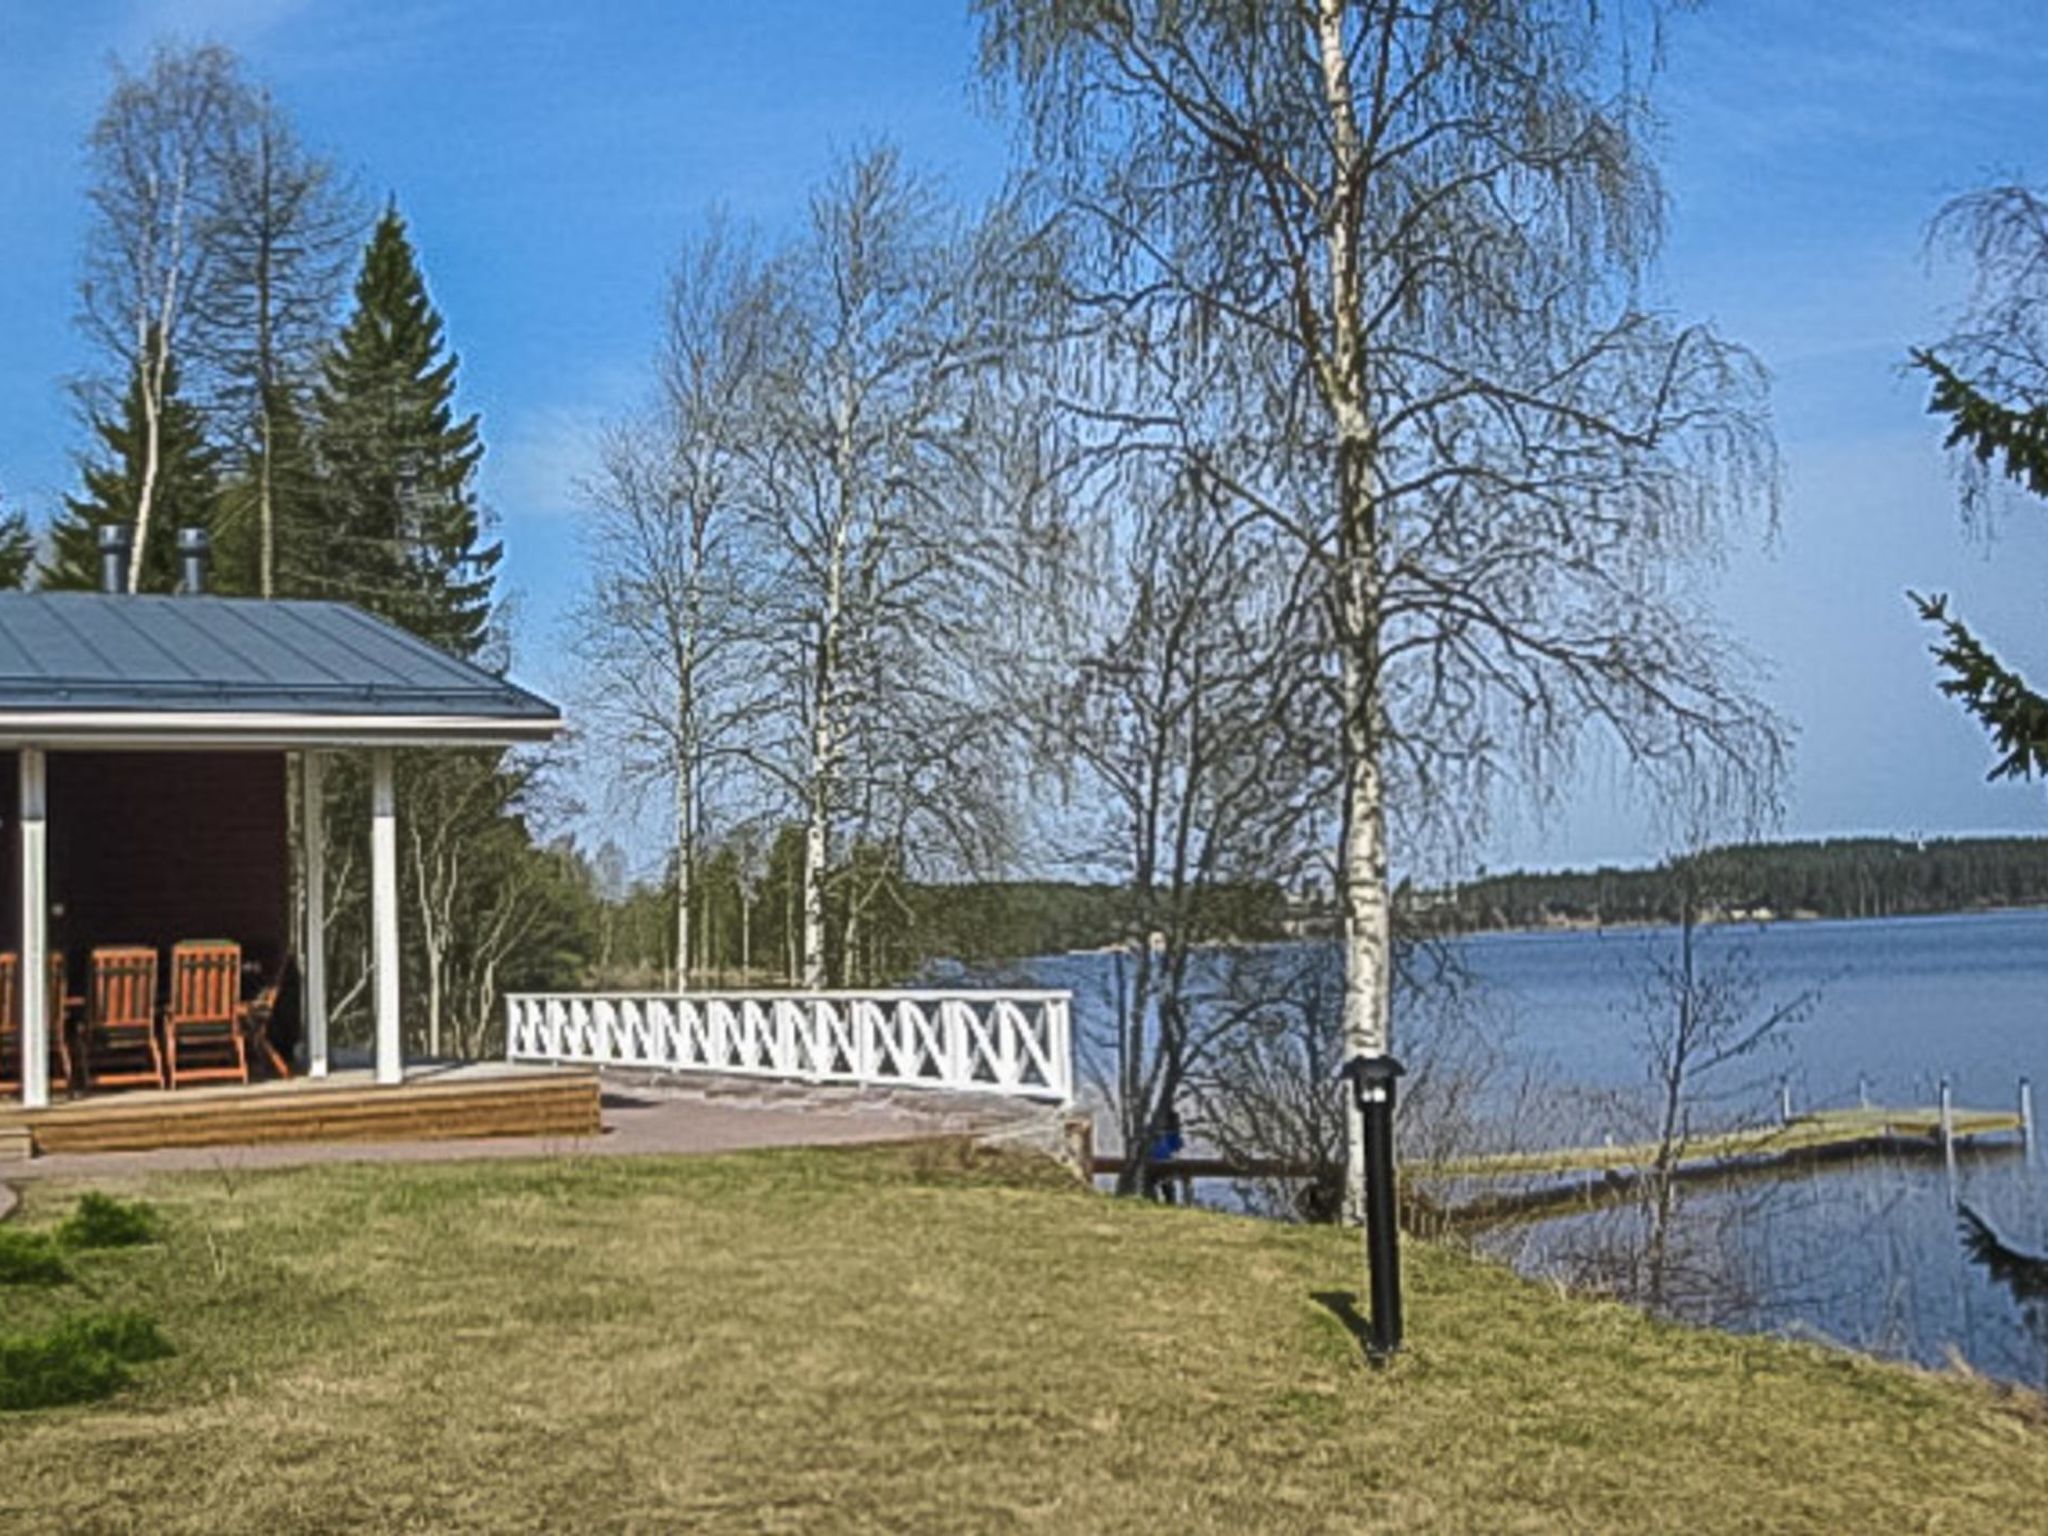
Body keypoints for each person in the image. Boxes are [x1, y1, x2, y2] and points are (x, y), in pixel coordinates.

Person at [1143, 1106, 1185, 1204]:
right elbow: (1177, 1147)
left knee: (1154, 1183)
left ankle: (1153, 1200)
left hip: (1150, 1164)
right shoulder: (1171, 1133)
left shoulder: (1149, 1130)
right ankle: (1170, 1202)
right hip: (1164, 1166)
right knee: (1167, 1185)